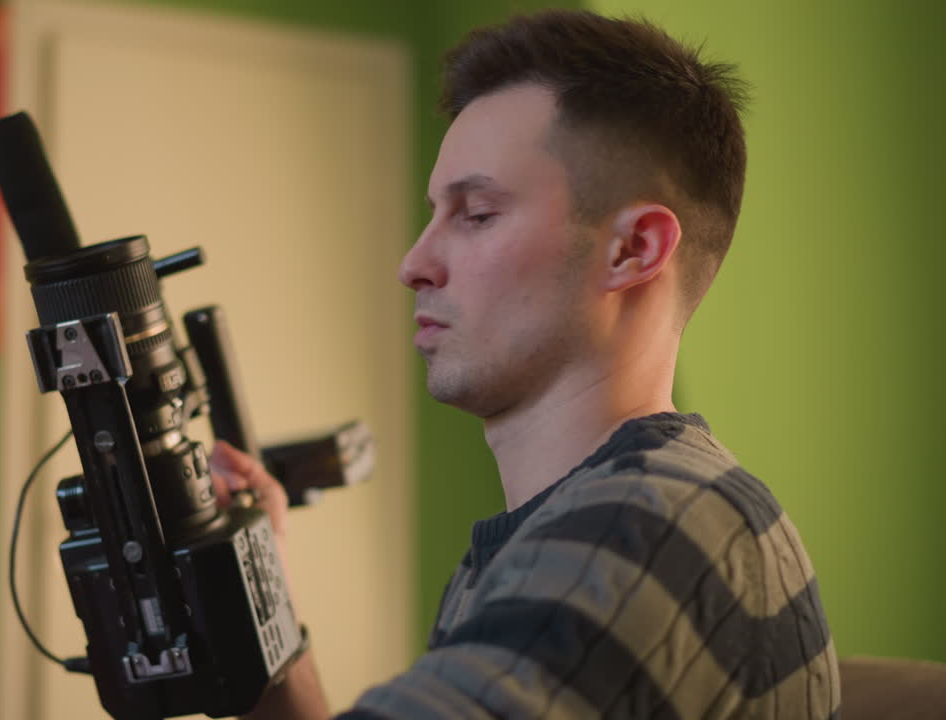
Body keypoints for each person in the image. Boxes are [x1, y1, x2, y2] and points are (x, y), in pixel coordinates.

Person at [211, 8, 838, 719]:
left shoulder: (647, 526)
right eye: (434, 213)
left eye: (477, 214)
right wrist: (256, 592)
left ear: (633, 250)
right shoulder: (573, 529)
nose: (414, 263)